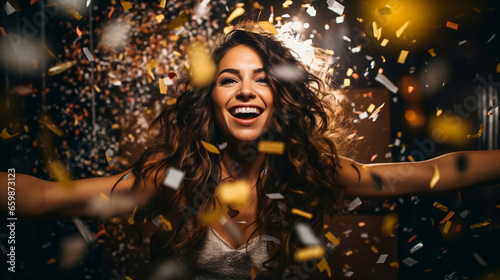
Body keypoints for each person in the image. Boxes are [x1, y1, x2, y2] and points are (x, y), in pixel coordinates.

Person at [1, 22, 500, 279]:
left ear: (279, 99)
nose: (245, 90)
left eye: (262, 79)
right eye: (228, 79)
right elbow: (47, 199)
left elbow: (418, 173)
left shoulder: (306, 171)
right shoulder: (174, 176)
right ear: (211, 99)